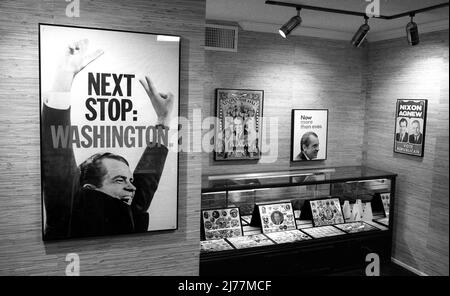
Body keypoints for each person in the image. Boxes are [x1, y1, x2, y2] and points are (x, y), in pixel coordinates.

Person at [41, 39, 174, 239]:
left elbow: (147, 180)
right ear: (89, 188)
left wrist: (163, 120)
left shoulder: (129, 207)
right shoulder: (68, 212)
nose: (132, 186)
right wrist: (64, 78)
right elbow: (58, 157)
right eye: (120, 180)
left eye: (129, 180)